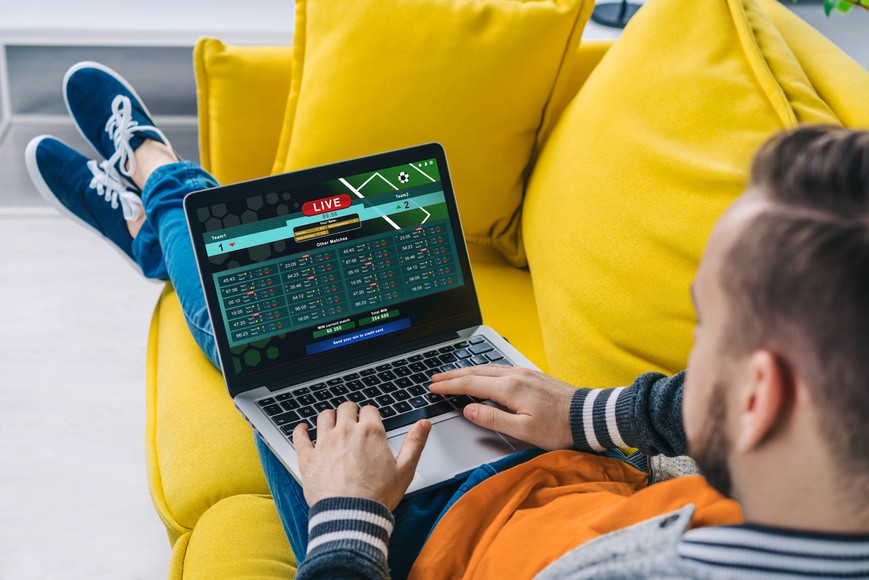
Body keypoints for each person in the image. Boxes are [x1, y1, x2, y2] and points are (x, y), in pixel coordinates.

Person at [27, 62, 869, 579]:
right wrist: (579, 411)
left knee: (277, 347)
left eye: (705, 328)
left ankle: (160, 181)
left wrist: (349, 517)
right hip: (564, 464)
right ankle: (162, 216)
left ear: (759, 398)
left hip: (419, 531)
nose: (690, 357)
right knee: (318, 324)